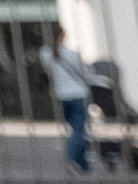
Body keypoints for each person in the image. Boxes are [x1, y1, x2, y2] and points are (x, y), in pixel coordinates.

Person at [41, 26, 94, 174]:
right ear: (63, 36)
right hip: (78, 94)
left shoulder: (45, 54)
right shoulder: (73, 54)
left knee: (75, 130)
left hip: (60, 96)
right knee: (79, 130)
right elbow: (86, 73)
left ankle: (83, 164)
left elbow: (49, 73)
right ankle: (72, 160)